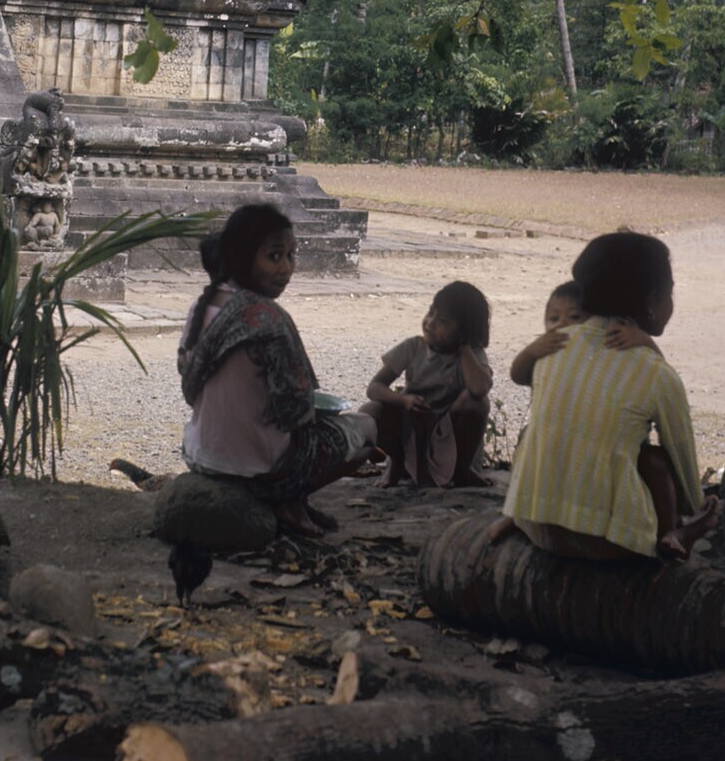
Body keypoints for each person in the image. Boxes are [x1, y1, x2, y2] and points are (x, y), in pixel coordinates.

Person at [495, 232, 719, 561]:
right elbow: (684, 473)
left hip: (533, 524)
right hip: (607, 543)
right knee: (655, 460)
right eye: (669, 293)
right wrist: (697, 507)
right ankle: (679, 535)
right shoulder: (657, 373)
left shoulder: (551, 347)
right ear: (652, 301)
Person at [178, 203, 377, 537]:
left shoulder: (202, 306)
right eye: (274, 256)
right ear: (243, 256)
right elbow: (296, 410)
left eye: (291, 255)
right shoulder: (267, 318)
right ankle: (290, 500)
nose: (286, 268)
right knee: (367, 428)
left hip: (202, 456)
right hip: (260, 470)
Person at [363, 281, 493, 488]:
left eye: (442, 320)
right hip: (412, 433)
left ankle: (460, 471)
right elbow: (374, 388)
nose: (430, 323)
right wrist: (403, 400)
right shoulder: (413, 347)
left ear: (464, 332)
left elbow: (479, 389)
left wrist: (464, 348)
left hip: (449, 437)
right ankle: (398, 463)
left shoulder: (472, 356)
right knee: (370, 411)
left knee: (477, 402)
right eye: (431, 313)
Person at [509, 280, 655, 386]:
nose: (561, 324)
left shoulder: (606, 350)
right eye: (554, 318)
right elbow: (518, 377)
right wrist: (530, 352)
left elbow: (656, 373)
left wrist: (645, 340)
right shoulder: (547, 352)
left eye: (574, 317)